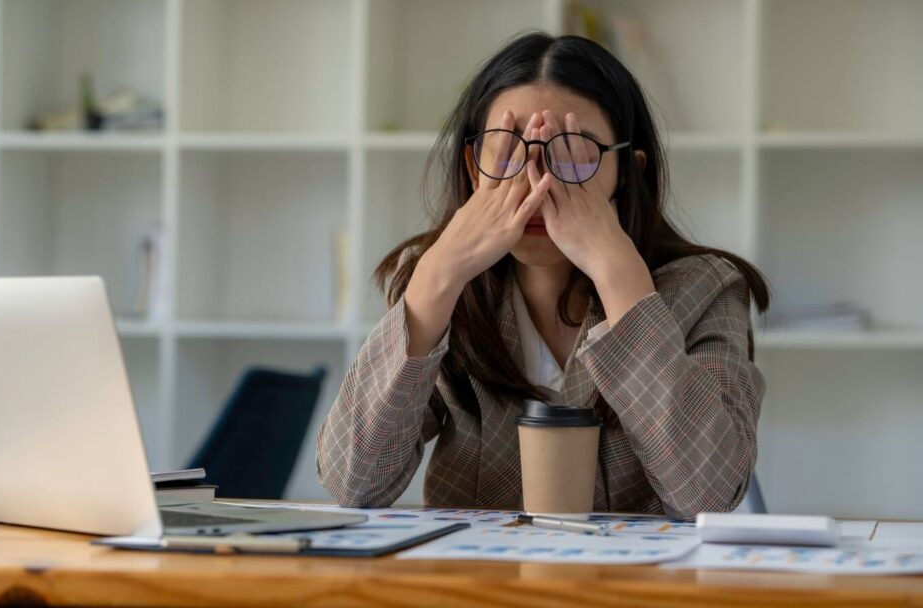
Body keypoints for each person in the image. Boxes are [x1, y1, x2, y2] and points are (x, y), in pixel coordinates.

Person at [317, 32, 769, 519]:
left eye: (572, 152)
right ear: (473, 168)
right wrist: (437, 275)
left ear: (628, 172)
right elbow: (352, 483)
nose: (536, 181)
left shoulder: (707, 287)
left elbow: (709, 495)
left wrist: (621, 278)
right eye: (507, 149)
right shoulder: (441, 285)